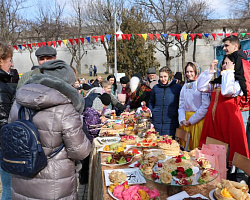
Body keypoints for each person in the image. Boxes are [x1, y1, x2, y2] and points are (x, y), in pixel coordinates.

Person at [9, 59, 91, 199]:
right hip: (55, 184)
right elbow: (80, 151)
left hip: (21, 177)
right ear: (66, 84)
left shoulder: (18, 103)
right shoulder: (66, 108)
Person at [198, 54, 249, 165]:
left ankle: (232, 176)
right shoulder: (217, 82)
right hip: (213, 121)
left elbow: (226, 91)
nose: (224, 66)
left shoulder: (237, 83)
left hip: (229, 122)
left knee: (230, 152)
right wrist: (210, 71)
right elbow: (201, 87)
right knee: (212, 155)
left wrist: (229, 72)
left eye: (228, 63)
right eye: (224, 63)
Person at [222, 35, 250, 152]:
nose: (224, 48)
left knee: (240, 142)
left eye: (227, 45)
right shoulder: (232, 60)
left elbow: (247, 85)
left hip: (241, 108)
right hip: (233, 107)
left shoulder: (241, 62)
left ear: (236, 46)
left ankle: (241, 170)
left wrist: (242, 104)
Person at [178, 62, 210, 150]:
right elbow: (181, 104)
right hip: (186, 121)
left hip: (197, 121)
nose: (189, 74)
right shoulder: (185, 86)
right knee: (185, 149)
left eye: (191, 71)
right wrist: (182, 119)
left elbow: (205, 106)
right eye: (187, 72)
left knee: (195, 149)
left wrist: (192, 120)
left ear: (196, 71)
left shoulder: (203, 85)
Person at [0, 42, 15, 200]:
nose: (12, 64)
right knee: (9, 188)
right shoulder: (2, 87)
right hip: (4, 146)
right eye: (9, 60)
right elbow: (3, 121)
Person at [149, 67, 182, 136]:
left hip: (171, 123)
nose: (163, 79)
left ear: (170, 76)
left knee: (168, 144)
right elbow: (151, 102)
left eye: (165, 76)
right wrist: (152, 112)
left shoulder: (177, 88)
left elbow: (181, 103)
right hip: (157, 122)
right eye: (161, 77)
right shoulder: (156, 88)